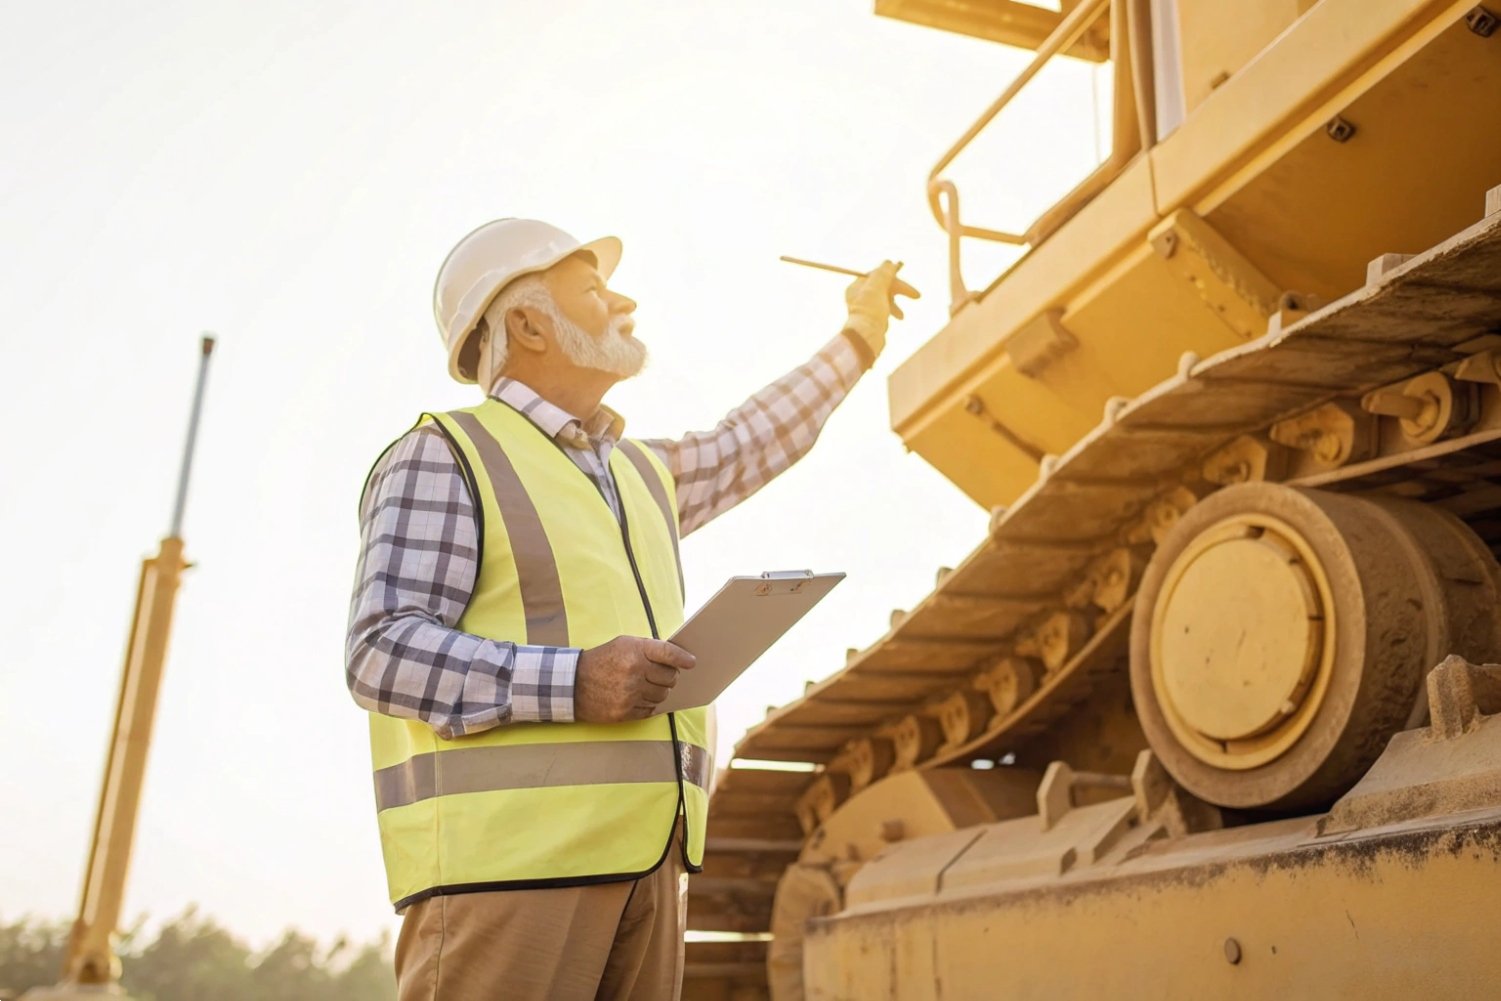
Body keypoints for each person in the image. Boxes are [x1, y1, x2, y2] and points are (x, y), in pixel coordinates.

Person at [345, 218, 916, 1000]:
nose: (625, 301)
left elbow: (751, 441)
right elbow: (382, 651)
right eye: (593, 289)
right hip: (510, 880)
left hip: (649, 866)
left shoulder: (639, 473)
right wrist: (575, 680)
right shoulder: (447, 453)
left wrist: (860, 332)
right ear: (526, 323)